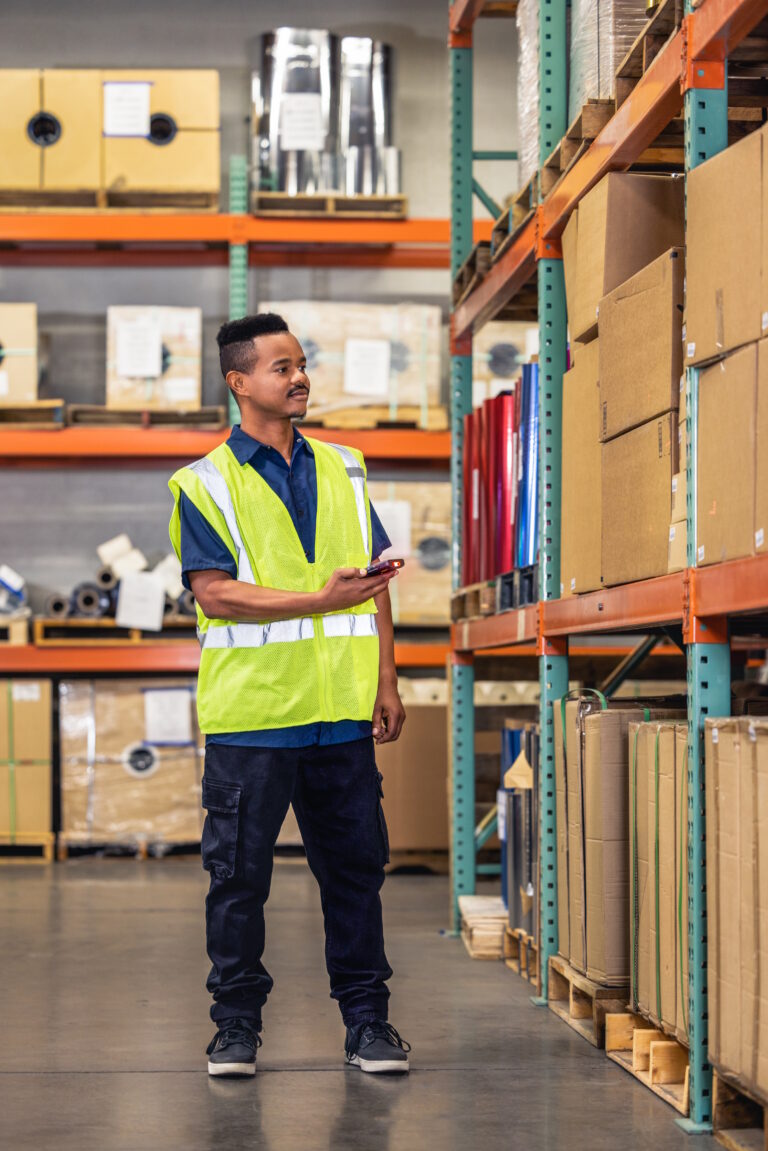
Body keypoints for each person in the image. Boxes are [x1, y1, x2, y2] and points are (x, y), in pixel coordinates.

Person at [168, 312, 411, 1078]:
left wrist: (387, 676)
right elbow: (217, 595)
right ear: (239, 383)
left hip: (339, 717)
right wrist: (320, 600)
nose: (299, 376)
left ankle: (369, 1022)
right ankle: (235, 1025)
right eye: (281, 366)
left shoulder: (345, 466)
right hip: (254, 722)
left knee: (355, 875)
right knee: (238, 882)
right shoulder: (202, 484)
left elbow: (373, 583)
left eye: (302, 363)